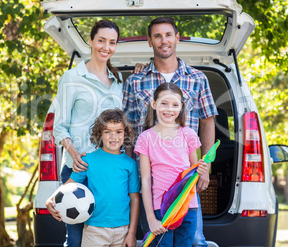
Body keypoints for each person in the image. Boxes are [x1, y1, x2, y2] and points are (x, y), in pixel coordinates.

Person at [123, 17, 218, 246]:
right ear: (149, 41)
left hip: (185, 177)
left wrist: (204, 168)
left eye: (168, 35)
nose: (163, 40)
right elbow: (127, 128)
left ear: (177, 38)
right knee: (158, 237)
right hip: (149, 176)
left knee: (194, 240)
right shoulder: (135, 81)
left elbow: (207, 122)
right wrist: (127, 172)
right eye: (157, 36)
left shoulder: (197, 78)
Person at [52, 19, 123, 247]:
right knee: (75, 239)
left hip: (108, 171)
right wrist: (73, 154)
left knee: (105, 236)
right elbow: (59, 126)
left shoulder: (118, 81)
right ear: (91, 41)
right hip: (78, 167)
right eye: (101, 40)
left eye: (112, 42)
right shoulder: (71, 78)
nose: (106, 47)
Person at [47, 109, 141, 247]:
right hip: (94, 230)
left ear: (125, 134)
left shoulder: (130, 164)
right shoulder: (88, 160)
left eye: (119, 132)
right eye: (107, 131)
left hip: (123, 230)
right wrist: (51, 198)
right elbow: (69, 185)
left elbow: (134, 198)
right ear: (100, 134)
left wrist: (132, 233)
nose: (113, 136)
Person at [135, 82, 209, 246]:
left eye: (175, 105)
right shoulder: (145, 138)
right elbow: (146, 181)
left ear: (181, 107)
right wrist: (151, 219)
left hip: (188, 206)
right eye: (164, 103)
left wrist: (202, 169)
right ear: (154, 104)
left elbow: (194, 170)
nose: (169, 109)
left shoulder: (189, 134)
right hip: (161, 208)